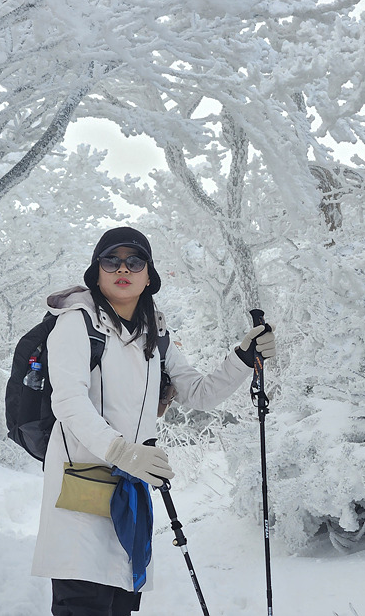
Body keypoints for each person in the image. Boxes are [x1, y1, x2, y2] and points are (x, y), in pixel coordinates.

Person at [31, 227, 275, 616]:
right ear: (96, 272)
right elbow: (68, 402)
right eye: (111, 260)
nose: (122, 269)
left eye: (134, 261)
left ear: (149, 275)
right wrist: (121, 451)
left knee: (119, 603)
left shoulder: (155, 332)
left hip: (131, 491)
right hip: (80, 487)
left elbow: (199, 393)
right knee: (83, 602)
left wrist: (243, 359)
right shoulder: (76, 323)